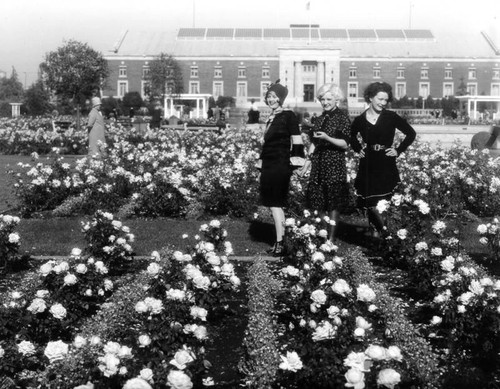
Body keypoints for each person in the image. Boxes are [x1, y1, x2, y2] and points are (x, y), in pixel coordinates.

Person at [350, 81, 416, 237]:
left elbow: (411, 133)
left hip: (386, 162)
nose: (383, 103)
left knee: (384, 201)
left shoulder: (391, 117)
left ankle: (383, 236)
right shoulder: (360, 119)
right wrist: (358, 149)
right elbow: (351, 136)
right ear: (371, 98)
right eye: (380, 99)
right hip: (368, 163)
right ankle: (381, 234)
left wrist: (398, 150)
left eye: (385, 100)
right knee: (370, 203)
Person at [258, 80, 305, 256]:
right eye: (269, 96)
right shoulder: (272, 117)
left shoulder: (288, 115)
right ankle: (281, 241)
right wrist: (261, 166)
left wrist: (296, 162)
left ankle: (281, 242)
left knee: (275, 204)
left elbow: (297, 139)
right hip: (269, 164)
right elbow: (266, 145)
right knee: (272, 205)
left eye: (274, 97)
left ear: (281, 99)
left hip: (280, 164)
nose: (271, 100)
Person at [299, 84, 351, 241]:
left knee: (333, 201)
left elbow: (345, 143)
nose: (325, 102)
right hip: (319, 162)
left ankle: (331, 238)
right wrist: (307, 163)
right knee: (317, 198)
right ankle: (323, 232)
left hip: (334, 162)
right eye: (323, 99)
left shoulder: (342, 118)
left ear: (337, 99)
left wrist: (327, 138)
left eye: (329, 99)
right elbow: (314, 142)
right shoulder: (320, 118)